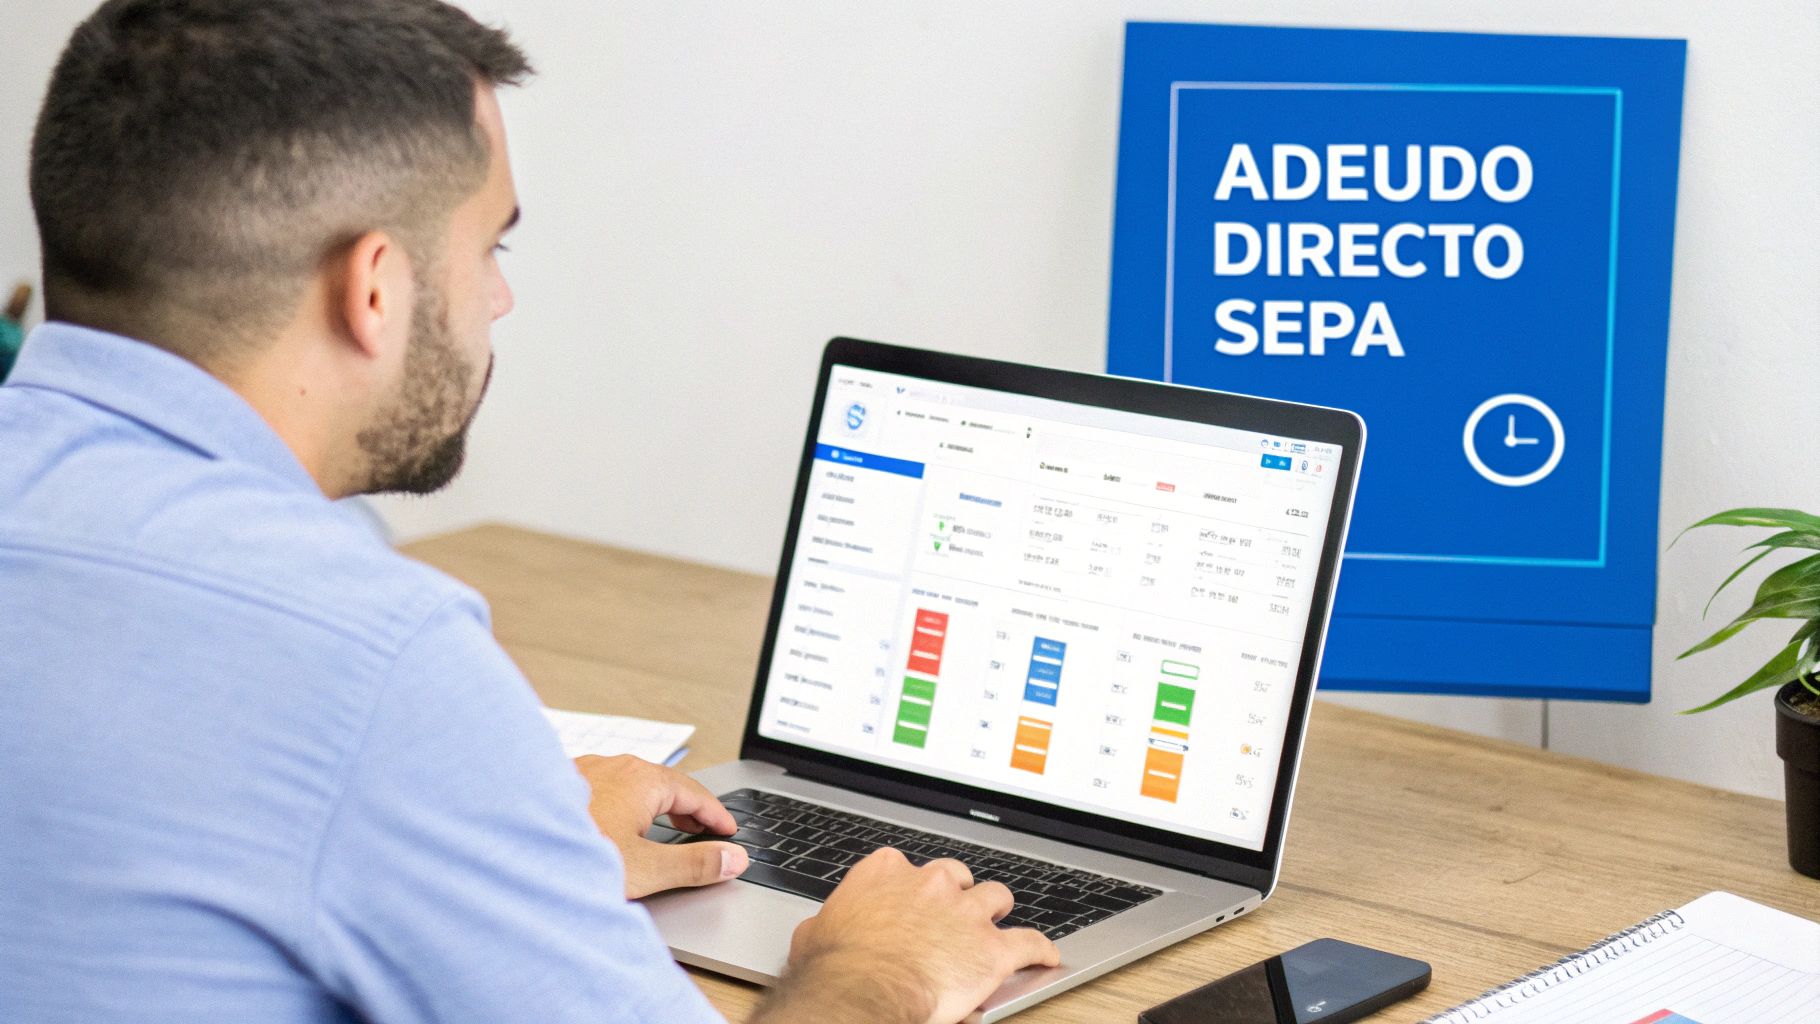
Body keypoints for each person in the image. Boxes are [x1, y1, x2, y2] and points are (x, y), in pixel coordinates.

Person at [0, 2, 1059, 1022]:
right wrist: (877, 966)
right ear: (373, 289)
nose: (497, 299)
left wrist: (497, 838)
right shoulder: (369, 656)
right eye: (489, 248)